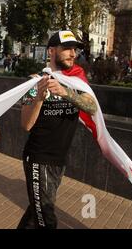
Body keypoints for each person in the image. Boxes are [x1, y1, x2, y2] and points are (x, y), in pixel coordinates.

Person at [18, 30, 97, 229]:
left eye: (75, 49)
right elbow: (26, 124)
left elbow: (92, 107)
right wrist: (38, 98)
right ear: (51, 51)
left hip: (58, 160)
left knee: (36, 212)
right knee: (46, 219)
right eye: (67, 49)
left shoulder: (77, 81)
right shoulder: (35, 81)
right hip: (38, 158)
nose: (73, 54)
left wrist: (66, 92)